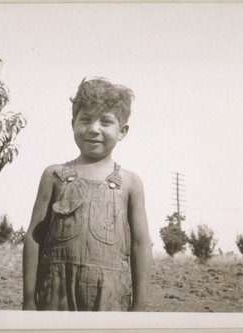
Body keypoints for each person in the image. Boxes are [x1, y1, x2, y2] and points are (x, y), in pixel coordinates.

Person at [22, 78, 152, 311]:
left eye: (106, 121)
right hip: (55, 297)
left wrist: (140, 304)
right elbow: (33, 238)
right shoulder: (54, 175)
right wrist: (29, 299)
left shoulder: (131, 183)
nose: (93, 128)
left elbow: (141, 244)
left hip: (109, 298)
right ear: (73, 123)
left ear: (122, 131)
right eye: (85, 119)